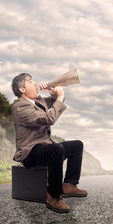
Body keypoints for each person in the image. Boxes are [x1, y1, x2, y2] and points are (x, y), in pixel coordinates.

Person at [11, 73, 87, 213]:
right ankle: (53, 196)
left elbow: (52, 103)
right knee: (56, 149)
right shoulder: (20, 107)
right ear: (22, 89)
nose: (35, 84)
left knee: (77, 145)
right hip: (30, 152)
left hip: (45, 146)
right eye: (30, 81)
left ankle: (69, 184)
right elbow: (48, 119)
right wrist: (59, 97)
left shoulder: (38, 101)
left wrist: (53, 93)